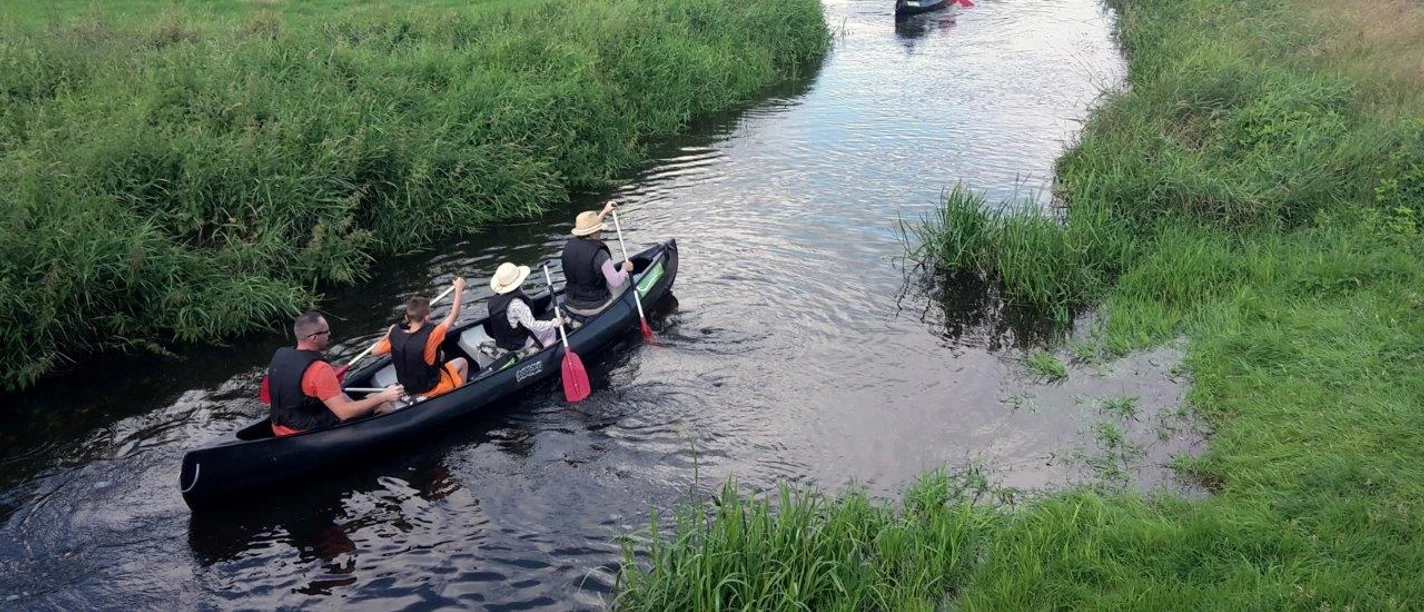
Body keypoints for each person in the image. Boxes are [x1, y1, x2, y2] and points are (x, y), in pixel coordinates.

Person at [267, 311, 404, 437]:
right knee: (382, 403)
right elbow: (344, 413)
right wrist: (383, 396)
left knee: (344, 395)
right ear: (314, 338)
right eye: (326, 332)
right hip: (304, 431)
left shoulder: (281, 354)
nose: (330, 334)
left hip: (280, 423)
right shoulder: (319, 369)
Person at [371, 278, 469, 399]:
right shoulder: (433, 335)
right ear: (427, 317)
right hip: (433, 388)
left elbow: (374, 352)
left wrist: (388, 334)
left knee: (440, 356)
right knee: (462, 362)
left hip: (408, 387)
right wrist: (458, 289)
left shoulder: (395, 335)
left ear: (407, 317)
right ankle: (460, 395)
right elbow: (454, 315)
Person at [561, 200, 633, 317]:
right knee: (625, 281)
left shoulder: (568, 246)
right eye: (599, 229)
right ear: (595, 231)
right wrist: (625, 269)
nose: (601, 231)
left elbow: (590, 229)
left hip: (570, 302)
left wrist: (604, 211)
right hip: (595, 306)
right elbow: (615, 282)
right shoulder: (600, 254)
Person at [487, 262, 564, 351]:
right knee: (550, 331)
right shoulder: (517, 304)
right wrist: (554, 323)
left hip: (503, 342)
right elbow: (533, 325)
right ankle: (548, 352)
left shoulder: (492, 301)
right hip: (518, 343)